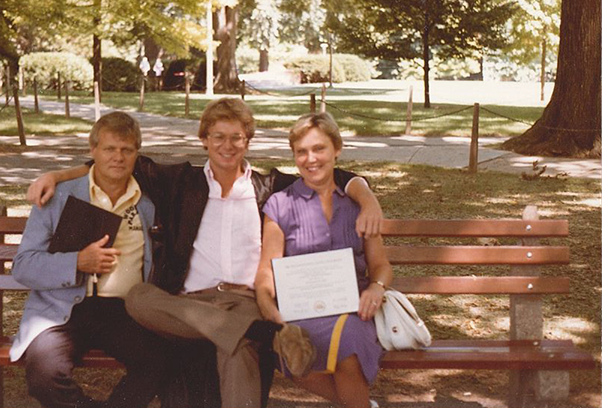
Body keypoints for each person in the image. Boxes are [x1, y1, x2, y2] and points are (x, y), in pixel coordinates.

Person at [27, 98, 384, 408]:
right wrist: (57, 175)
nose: (227, 146)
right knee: (139, 298)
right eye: (218, 137)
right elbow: (119, 161)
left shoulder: (270, 188)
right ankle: (259, 332)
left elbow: (331, 173)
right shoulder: (182, 182)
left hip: (245, 301)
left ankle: (249, 331)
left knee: (237, 349)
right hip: (187, 306)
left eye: (236, 138)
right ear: (204, 141)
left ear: (248, 141)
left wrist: (365, 195)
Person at [10, 111, 169, 408]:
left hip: (125, 312)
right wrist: (77, 262)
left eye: (127, 150)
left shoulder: (150, 202)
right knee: (44, 375)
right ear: (93, 150)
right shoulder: (59, 198)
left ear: (137, 153)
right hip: (64, 310)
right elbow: (23, 266)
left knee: (160, 360)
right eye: (109, 149)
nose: (118, 158)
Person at [255, 112, 392, 408]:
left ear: (336, 150)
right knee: (294, 349)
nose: (311, 159)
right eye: (301, 152)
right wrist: (269, 308)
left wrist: (376, 288)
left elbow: (380, 265)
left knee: (350, 340)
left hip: (354, 309)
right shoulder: (280, 204)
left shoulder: (357, 204)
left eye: (319, 149)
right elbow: (267, 269)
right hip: (300, 311)